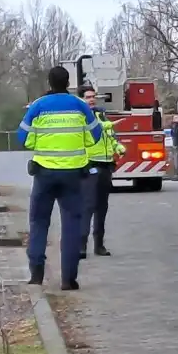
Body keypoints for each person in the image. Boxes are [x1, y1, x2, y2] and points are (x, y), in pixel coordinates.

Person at [18, 66, 101, 291]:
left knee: (38, 222)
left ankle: (36, 275)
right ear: (68, 83)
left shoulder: (37, 106)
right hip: (74, 175)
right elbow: (95, 136)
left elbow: (23, 137)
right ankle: (68, 279)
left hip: (44, 174)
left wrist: (41, 143)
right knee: (72, 224)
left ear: (50, 82)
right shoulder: (80, 106)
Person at [80, 86, 125, 258]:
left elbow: (110, 137)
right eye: (87, 97)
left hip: (106, 165)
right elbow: (97, 128)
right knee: (88, 206)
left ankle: (99, 245)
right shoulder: (82, 117)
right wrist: (108, 124)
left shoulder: (101, 114)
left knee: (102, 207)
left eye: (93, 97)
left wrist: (118, 147)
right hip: (90, 164)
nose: (91, 100)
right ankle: (81, 246)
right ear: (81, 100)